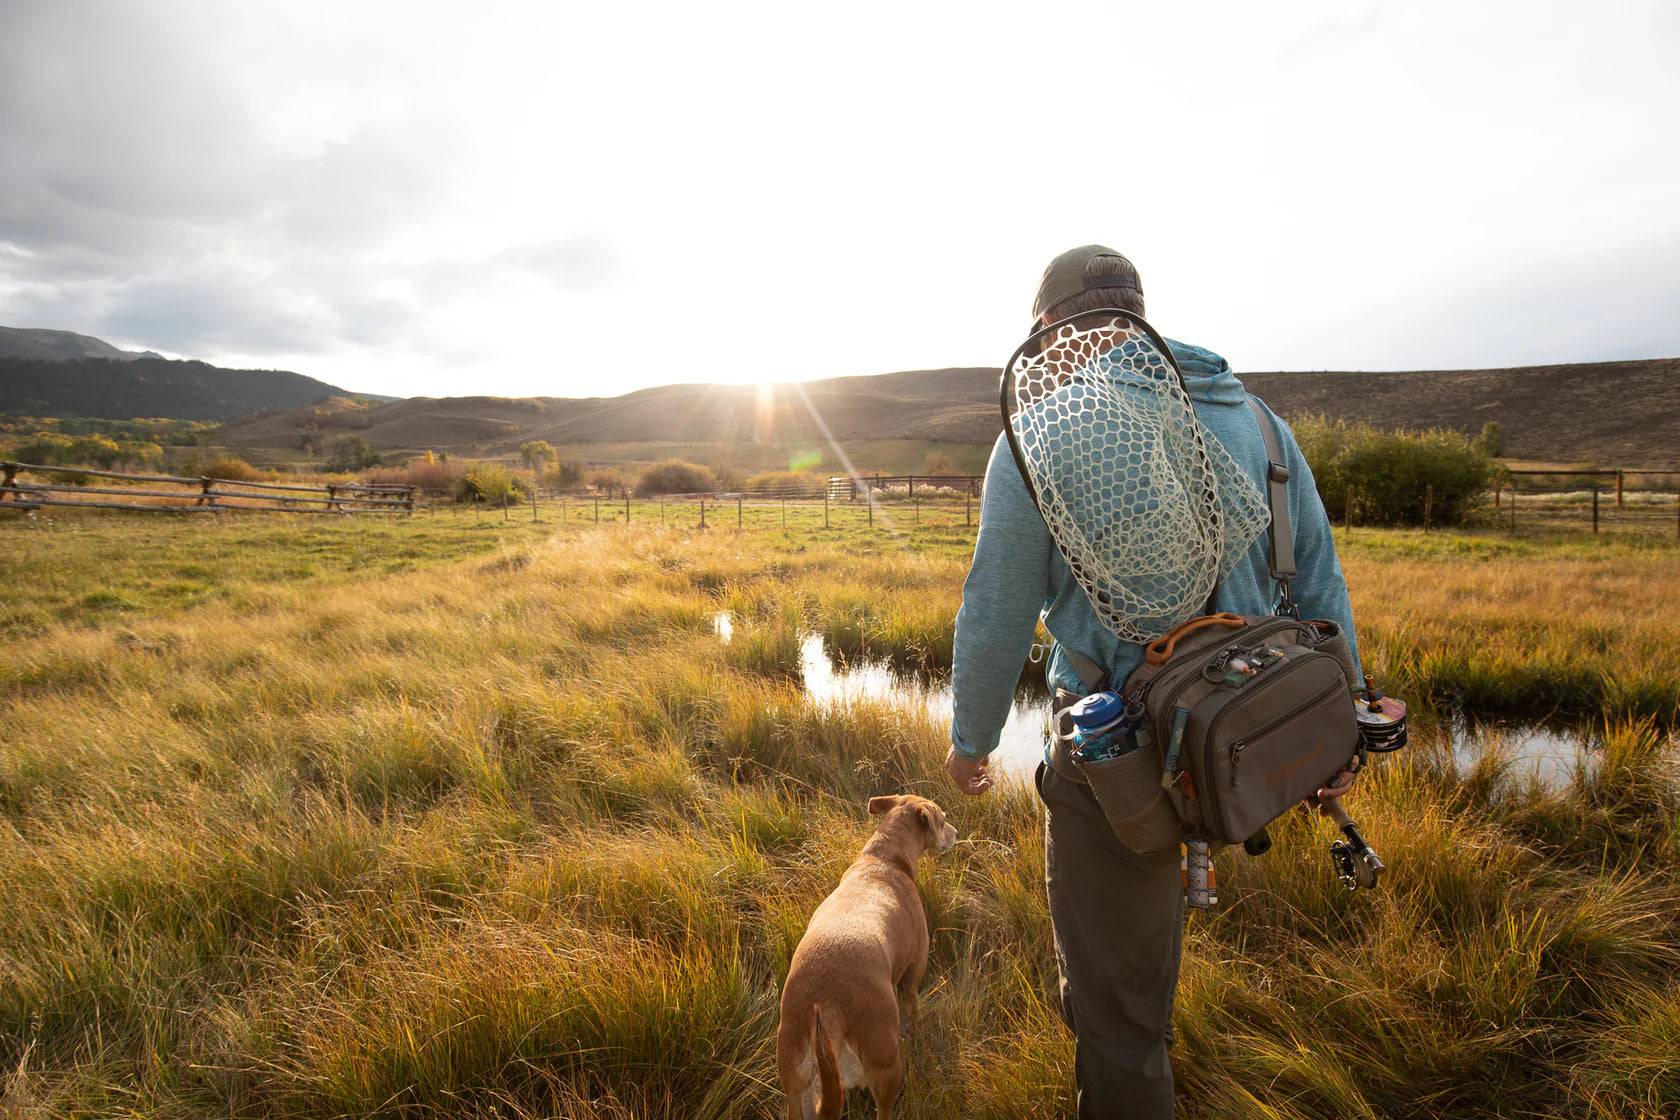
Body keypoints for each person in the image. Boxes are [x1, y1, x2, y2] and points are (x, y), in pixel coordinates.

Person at [944, 245, 1363, 1118]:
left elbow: (995, 610)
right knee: (1136, 978)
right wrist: (1343, 730)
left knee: (1118, 1012)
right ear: (1137, 313)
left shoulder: (1039, 432)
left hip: (1118, 764)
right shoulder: (1261, 422)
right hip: (1252, 741)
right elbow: (1320, 587)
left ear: (1049, 331)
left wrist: (970, 742)